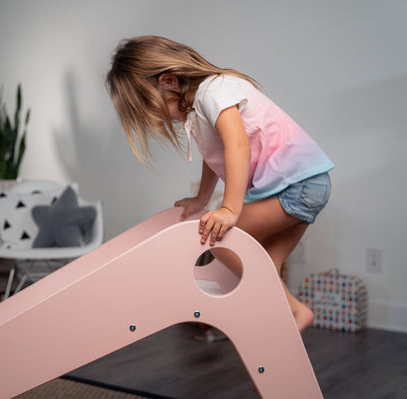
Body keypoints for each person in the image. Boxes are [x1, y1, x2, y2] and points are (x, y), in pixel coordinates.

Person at [106, 35, 333, 332]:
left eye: (159, 109)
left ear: (170, 81)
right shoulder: (201, 107)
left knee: (222, 243)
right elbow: (216, 155)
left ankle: (295, 313)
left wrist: (229, 209)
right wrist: (201, 199)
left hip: (297, 186)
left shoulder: (214, 91)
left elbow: (237, 145)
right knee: (263, 267)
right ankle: (276, 345)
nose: (165, 119)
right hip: (304, 184)